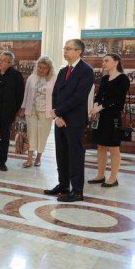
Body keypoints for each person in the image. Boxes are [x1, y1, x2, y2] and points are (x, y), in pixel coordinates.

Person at [44, 39, 95, 203]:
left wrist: (58, 111)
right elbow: (55, 94)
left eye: (68, 49)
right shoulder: (63, 70)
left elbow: (79, 97)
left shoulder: (86, 70)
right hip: (61, 120)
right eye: (64, 48)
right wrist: (57, 116)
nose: (65, 51)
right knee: (61, 153)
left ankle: (77, 191)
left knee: (75, 155)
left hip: (75, 120)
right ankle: (63, 185)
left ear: (79, 51)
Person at [88, 53, 130, 188]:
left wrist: (100, 107)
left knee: (113, 148)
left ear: (116, 62)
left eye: (106, 61)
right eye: (103, 61)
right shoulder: (105, 78)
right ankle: (100, 175)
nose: (103, 63)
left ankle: (113, 178)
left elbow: (118, 100)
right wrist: (95, 106)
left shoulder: (123, 78)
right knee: (100, 146)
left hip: (113, 116)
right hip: (101, 116)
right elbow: (99, 95)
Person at [20, 56, 56, 167]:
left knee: (42, 135)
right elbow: (26, 94)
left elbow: (56, 96)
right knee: (31, 134)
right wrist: (23, 108)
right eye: (39, 67)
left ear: (49, 69)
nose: (41, 70)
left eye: (44, 68)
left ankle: (38, 157)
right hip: (31, 110)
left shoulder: (54, 79)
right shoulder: (32, 77)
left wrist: (56, 111)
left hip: (46, 112)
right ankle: (29, 158)